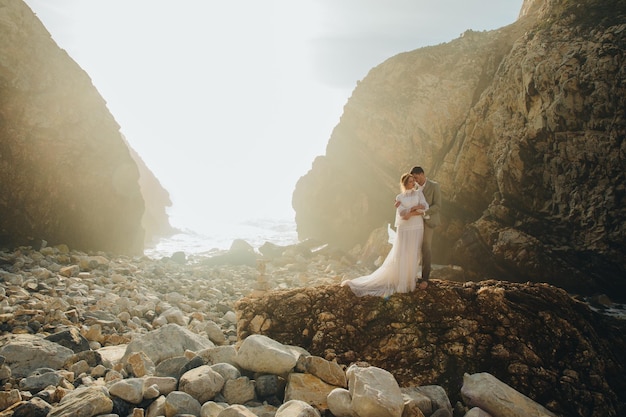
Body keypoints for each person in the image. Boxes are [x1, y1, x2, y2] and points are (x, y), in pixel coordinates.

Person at [342, 173, 429, 297]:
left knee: (413, 252)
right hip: (404, 229)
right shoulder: (399, 197)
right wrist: (414, 209)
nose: (413, 183)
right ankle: (402, 282)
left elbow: (424, 207)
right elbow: (403, 215)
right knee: (403, 252)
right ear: (405, 184)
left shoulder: (419, 193)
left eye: (413, 181)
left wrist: (412, 209)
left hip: (417, 227)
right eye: (410, 181)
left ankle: (410, 281)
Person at [410, 166, 441, 289]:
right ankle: (412, 276)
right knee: (415, 247)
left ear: (422, 174)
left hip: (429, 222)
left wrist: (424, 212)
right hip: (416, 223)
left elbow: (438, 206)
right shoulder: (415, 189)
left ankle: (425, 279)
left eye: (416, 178)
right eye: (414, 179)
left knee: (426, 248)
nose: (416, 181)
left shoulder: (434, 186)